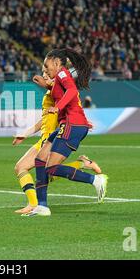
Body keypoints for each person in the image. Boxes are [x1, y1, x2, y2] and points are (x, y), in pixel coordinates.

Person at [26, 48, 108, 217]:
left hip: (71, 124)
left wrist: (57, 107)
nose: (45, 69)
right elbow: (60, 88)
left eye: (47, 66)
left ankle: (95, 180)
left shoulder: (63, 73)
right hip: (68, 124)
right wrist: (46, 84)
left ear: (57, 63)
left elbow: (71, 91)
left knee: (51, 168)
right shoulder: (58, 78)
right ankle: (42, 206)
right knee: (40, 159)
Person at [13, 72, 102, 215]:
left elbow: (68, 105)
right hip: (44, 138)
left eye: (47, 71)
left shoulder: (56, 91)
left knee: (24, 167)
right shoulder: (50, 93)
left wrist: (80, 122)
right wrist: (26, 133)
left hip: (51, 137)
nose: (44, 74)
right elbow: (46, 118)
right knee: (45, 171)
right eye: (43, 72)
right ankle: (83, 164)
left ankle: (34, 204)